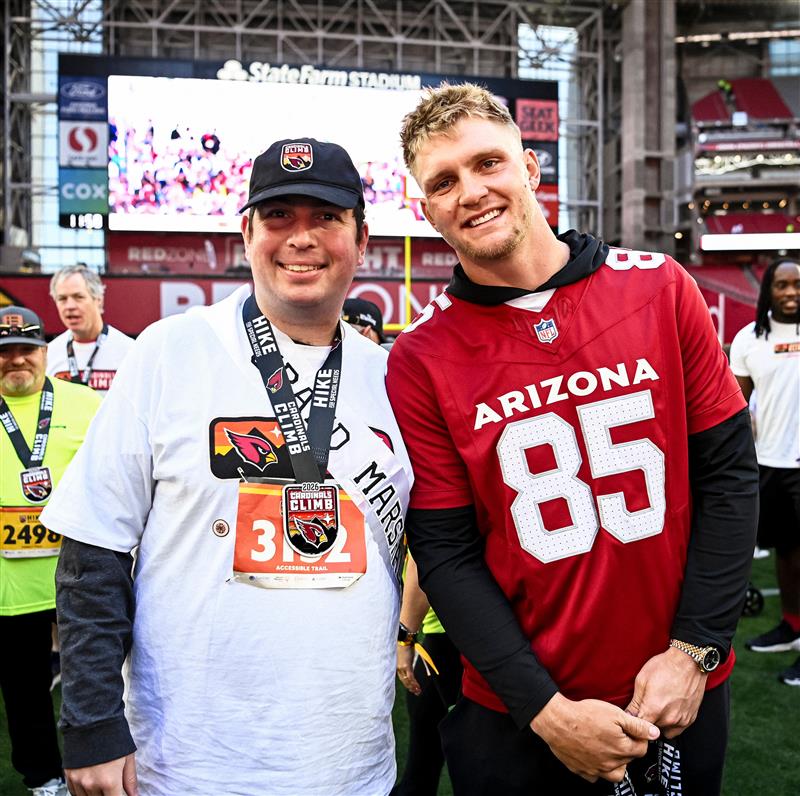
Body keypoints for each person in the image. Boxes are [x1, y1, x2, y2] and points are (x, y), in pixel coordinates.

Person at [386, 83, 758, 794]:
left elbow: (729, 478)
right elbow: (447, 552)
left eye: (487, 163)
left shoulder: (662, 288)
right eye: (444, 181)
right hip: (519, 712)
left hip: (676, 690)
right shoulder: (421, 357)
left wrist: (695, 651)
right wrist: (546, 710)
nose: (471, 191)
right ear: (425, 209)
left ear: (529, 167)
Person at [41, 138, 413, 796]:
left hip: (350, 766)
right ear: (246, 233)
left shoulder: (395, 381)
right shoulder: (169, 351)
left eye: (325, 217)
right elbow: (93, 548)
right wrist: (91, 723)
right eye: (278, 217)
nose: (301, 238)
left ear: (362, 237)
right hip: (185, 765)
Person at [0, 306, 101, 796]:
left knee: (104, 673)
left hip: (83, 573)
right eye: (4, 352)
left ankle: (117, 760)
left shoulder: (87, 404)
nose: (15, 360)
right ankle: (43, 777)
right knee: (23, 688)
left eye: (25, 349)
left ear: (45, 352)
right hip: (10, 585)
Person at [730, 258, 800, 685]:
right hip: (770, 462)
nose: (792, 292)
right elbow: (736, 409)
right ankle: (792, 625)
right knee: (787, 553)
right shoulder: (748, 339)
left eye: (798, 285)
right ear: (768, 290)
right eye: (783, 285)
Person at [392, 555, 462, 796]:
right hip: (440, 642)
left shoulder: (427, 519)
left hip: (448, 643)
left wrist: (405, 639)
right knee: (425, 759)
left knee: (462, 756)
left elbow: (422, 562)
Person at [47, 264, 134, 395]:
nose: (70, 306)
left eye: (78, 297)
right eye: (62, 299)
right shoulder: (49, 354)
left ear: (98, 300)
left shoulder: (129, 351)